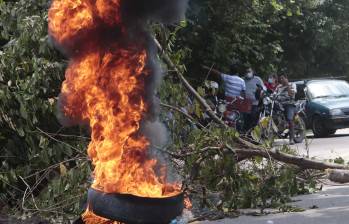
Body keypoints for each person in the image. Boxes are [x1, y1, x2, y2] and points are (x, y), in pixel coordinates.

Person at [276, 73, 297, 145]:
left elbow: (291, 94)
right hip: (280, 104)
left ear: (286, 78)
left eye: (282, 78)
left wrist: (287, 85)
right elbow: (274, 94)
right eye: (280, 78)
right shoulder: (278, 87)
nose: (281, 80)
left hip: (289, 104)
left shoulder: (292, 84)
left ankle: (291, 139)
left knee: (289, 119)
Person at [243, 67, 266, 131]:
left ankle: (253, 134)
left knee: (254, 118)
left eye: (249, 71)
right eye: (247, 72)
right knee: (246, 119)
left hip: (255, 103)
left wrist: (261, 92)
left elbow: (263, 89)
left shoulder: (258, 79)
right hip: (246, 103)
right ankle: (245, 133)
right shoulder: (243, 80)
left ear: (253, 72)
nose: (248, 73)